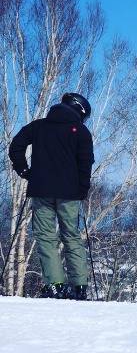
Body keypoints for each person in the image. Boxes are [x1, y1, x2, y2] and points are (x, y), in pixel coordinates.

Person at [8, 93, 95, 300]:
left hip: (41, 190)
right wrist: (82, 190)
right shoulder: (81, 132)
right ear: (81, 111)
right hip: (70, 193)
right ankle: (80, 286)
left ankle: (55, 285)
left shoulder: (37, 126)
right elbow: (85, 163)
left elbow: (16, 146)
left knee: (46, 237)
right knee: (71, 236)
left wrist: (24, 171)